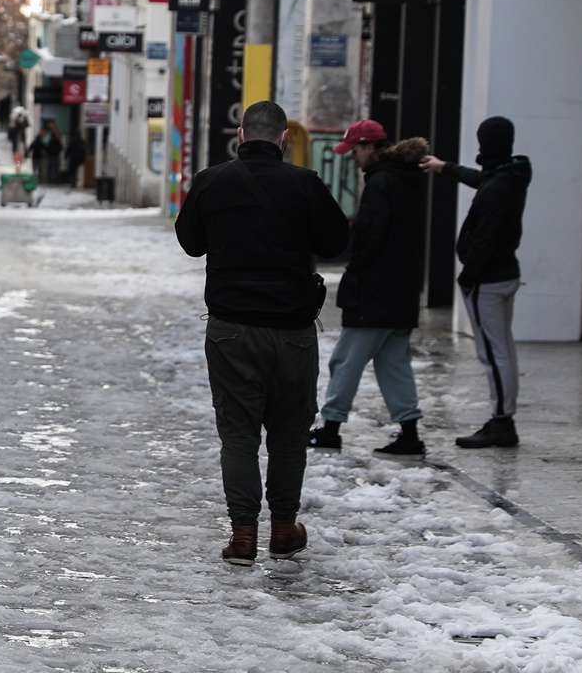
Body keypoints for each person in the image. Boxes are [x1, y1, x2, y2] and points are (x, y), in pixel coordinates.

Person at [174, 100, 351, 567]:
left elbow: (191, 244)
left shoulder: (212, 181)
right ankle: (285, 528)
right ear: (284, 138)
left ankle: (243, 535)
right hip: (292, 331)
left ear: (239, 135)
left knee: (238, 435)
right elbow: (336, 243)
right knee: (289, 436)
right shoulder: (305, 184)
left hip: (231, 329)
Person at [310, 121, 431, 457]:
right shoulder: (407, 179)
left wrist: (356, 270)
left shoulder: (381, 182)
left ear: (370, 148)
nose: (353, 158)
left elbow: (369, 236)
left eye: (355, 151)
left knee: (346, 360)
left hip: (376, 290)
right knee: (394, 364)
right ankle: (410, 433)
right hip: (402, 290)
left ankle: (331, 428)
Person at [422, 116, 531, 449]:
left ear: (485, 143)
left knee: (493, 353)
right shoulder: (512, 174)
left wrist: (467, 279)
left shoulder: (497, 188)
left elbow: (483, 240)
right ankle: (503, 418)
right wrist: (445, 167)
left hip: (488, 280)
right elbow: (481, 178)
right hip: (504, 273)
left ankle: (502, 422)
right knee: (503, 350)